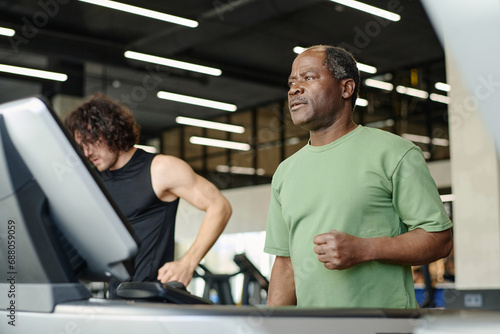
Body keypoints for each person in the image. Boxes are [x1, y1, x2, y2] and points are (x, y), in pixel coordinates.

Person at [264, 45, 453, 308]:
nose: (294, 89)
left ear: (346, 88)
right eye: (292, 82)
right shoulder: (286, 171)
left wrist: (365, 249)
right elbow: (285, 265)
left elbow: (439, 240)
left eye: (308, 78)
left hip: (383, 326)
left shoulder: (395, 153)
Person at [64, 93, 232, 289]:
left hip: (154, 299)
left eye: (91, 141)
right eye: (82, 145)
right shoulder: (95, 180)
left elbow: (220, 206)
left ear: (112, 130)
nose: (87, 152)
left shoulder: (161, 169)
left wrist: (188, 262)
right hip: (117, 302)